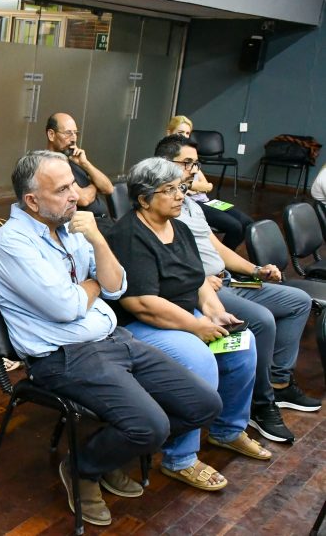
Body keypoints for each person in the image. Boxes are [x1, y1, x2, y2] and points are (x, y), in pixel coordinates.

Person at [0, 150, 221, 527]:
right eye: (62, 190)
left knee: (204, 405)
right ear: (32, 200)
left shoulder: (72, 228)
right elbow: (66, 306)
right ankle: (82, 467)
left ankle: (110, 451)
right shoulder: (13, 243)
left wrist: (97, 240)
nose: (75, 195)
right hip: (62, 357)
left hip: (112, 339)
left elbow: (116, 285)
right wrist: (92, 284)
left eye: (73, 185)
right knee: (151, 426)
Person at [106, 157, 268, 493]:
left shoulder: (178, 227)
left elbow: (198, 280)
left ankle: (228, 430)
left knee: (244, 343)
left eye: (180, 187)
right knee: (199, 358)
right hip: (141, 325)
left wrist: (215, 313)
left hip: (181, 316)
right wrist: (196, 328)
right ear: (144, 199)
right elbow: (142, 304)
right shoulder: (129, 235)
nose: (180, 195)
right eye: (169, 190)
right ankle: (179, 458)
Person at [155, 134, 321, 443]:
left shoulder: (189, 204)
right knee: (262, 320)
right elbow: (168, 262)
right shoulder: (161, 211)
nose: (193, 170)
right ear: (164, 164)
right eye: (187, 163)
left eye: (195, 164)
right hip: (205, 290)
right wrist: (198, 279)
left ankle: (279, 383)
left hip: (227, 279)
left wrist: (255, 270)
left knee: (298, 301)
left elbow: (217, 247)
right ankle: (261, 402)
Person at [165, 117, 253, 249]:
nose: (184, 136)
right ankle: (221, 258)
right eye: (180, 132)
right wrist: (195, 187)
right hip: (191, 204)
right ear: (169, 133)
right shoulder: (167, 158)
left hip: (206, 200)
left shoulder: (190, 155)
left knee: (248, 223)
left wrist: (194, 187)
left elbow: (208, 186)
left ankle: (225, 256)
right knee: (235, 227)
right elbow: (181, 185)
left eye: (187, 133)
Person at [45, 112, 114, 234]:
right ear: (51, 135)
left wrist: (85, 164)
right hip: (87, 228)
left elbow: (108, 188)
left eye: (75, 133)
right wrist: (94, 185)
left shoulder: (74, 159)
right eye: (68, 133)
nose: (73, 139)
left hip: (105, 222)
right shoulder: (51, 164)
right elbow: (83, 199)